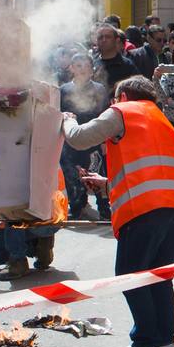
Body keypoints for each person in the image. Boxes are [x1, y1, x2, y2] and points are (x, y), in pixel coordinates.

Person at [65, 76, 174, 347]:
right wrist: (106, 184)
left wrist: (66, 119)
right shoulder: (158, 117)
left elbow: (78, 137)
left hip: (147, 209)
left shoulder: (123, 111)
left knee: (131, 275)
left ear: (123, 95)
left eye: (115, 98)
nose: (113, 103)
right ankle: (165, 341)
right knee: (159, 275)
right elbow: (150, 170)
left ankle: (144, 346)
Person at [59, 48, 113, 219]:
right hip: (70, 140)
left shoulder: (99, 89)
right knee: (72, 174)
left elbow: (105, 114)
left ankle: (104, 206)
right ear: (71, 68)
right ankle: (77, 205)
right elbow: (58, 113)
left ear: (92, 70)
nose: (82, 69)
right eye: (78, 65)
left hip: (93, 138)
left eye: (86, 66)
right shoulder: (64, 89)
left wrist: (105, 141)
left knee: (95, 171)